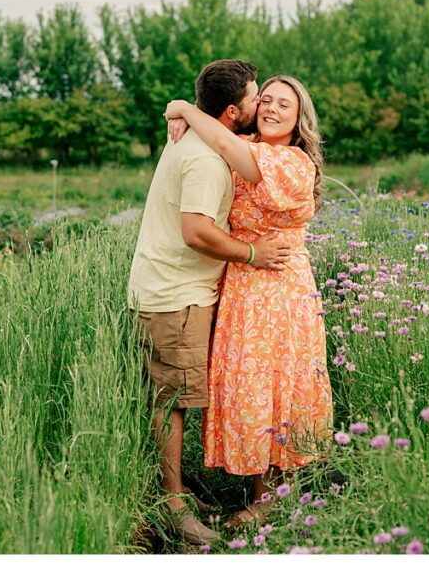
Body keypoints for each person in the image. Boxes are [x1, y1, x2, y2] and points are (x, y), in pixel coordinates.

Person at [127, 59, 291, 546]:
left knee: (177, 394)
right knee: (173, 400)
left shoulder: (199, 137)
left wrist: (178, 106)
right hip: (174, 295)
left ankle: (177, 491)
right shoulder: (202, 158)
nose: (260, 102)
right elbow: (196, 230)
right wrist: (254, 254)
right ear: (231, 112)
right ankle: (174, 507)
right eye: (254, 96)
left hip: (175, 289)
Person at [163, 74, 333, 530]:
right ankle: (255, 489)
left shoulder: (293, 162)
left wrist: (183, 107)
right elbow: (217, 138)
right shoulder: (244, 142)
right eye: (267, 100)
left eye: (285, 105)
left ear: (300, 121)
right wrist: (181, 118)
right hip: (242, 284)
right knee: (248, 388)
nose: (273, 109)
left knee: (277, 385)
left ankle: (269, 498)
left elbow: (221, 138)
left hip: (279, 289)